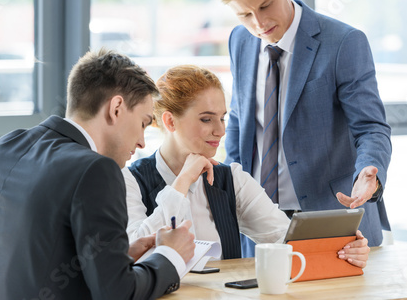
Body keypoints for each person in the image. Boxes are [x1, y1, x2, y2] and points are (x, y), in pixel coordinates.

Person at [0, 49, 195, 300]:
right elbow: (118, 294)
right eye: (143, 123)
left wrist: (117, 256)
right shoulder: (96, 170)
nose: (143, 142)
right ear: (117, 108)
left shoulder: (4, 147)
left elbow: (24, 259)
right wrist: (170, 256)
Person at [211, 0, 392, 252]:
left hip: (328, 216)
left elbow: (370, 126)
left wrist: (370, 171)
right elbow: (239, 116)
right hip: (256, 220)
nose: (259, 23)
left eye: (265, 5)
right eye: (245, 15)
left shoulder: (343, 42)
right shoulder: (240, 40)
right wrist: (231, 184)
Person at [125, 65, 370, 268]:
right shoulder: (129, 180)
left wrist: (345, 248)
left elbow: (288, 238)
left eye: (222, 118)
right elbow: (131, 253)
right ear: (169, 121)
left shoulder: (232, 179)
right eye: (206, 119)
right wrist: (181, 184)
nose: (220, 131)